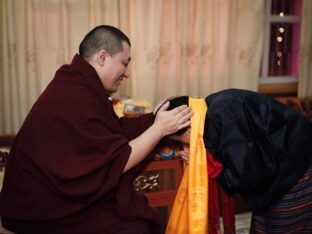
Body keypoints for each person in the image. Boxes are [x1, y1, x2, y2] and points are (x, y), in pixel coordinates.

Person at [0, 25, 192, 234]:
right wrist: (158, 129)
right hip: (39, 207)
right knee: (137, 226)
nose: (126, 73)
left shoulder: (79, 83)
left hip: (46, 199)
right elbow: (117, 161)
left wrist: (153, 120)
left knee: (134, 214)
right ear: (102, 57)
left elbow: (113, 129)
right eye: (124, 63)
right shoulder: (75, 94)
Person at [164, 89, 312, 233]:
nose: (184, 145)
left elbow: (248, 176)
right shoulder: (209, 109)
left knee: (282, 223)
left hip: (296, 167)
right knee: (263, 222)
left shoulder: (225, 116)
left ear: (188, 128)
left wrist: (208, 167)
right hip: (277, 165)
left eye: (178, 140)